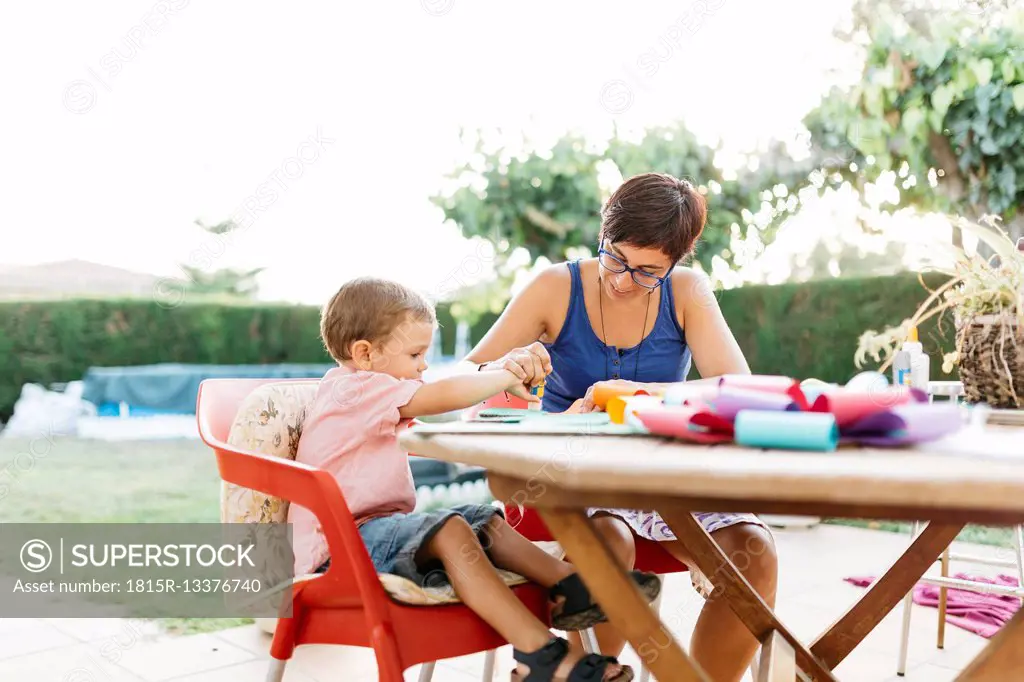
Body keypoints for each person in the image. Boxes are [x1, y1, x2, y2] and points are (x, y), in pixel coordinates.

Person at [463, 173, 779, 682]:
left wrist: (651, 396)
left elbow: (737, 390)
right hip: (573, 474)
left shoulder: (687, 292)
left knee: (755, 551)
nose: (622, 281)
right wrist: (508, 371)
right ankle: (595, 673)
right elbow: (468, 386)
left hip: (663, 474)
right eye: (615, 258)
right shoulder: (554, 287)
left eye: (648, 271)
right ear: (602, 233)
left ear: (678, 260)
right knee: (609, 540)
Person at [289, 276, 661, 682]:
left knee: (483, 519)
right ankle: (541, 653)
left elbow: (428, 436)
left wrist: (547, 416)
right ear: (365, 353)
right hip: (340, 548)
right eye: (415, 354)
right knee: (450, 529)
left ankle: (572, 586)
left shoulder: (363, 394)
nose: (423, 365)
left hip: (377, 532)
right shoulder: (361, 388)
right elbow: (444, 396)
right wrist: (503, 374)